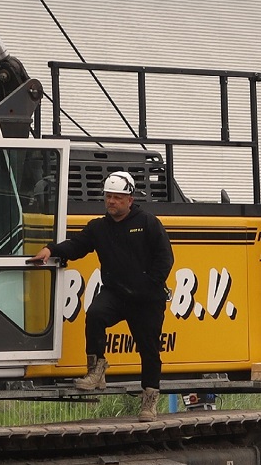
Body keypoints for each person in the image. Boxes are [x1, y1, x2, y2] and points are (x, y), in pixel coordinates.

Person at [34, 171, 175, 419]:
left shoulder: (148, 223)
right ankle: (96, 371)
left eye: (117, 198)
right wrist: (51, 249)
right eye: (108, 197)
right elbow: (76, 246)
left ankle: (149, 402)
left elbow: (165, 258)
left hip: (147, 299)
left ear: (130, 200)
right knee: (95, 314)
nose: (111, 202)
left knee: (149, 349)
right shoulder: (99, 227)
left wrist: (150, 284)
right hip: (116, 293)